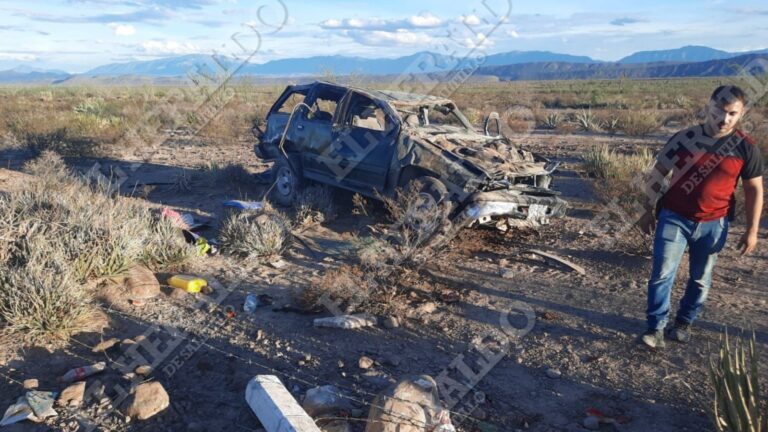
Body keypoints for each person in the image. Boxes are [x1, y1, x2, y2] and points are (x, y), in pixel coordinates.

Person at [638, 85, 764, 348]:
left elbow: (754, 188)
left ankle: (684, 322)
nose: (724, 118)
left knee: (700, 278)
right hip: (674, 217)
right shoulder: (684, 138)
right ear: (708, 107)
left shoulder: (745, 147)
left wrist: (752, 230)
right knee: (662, 273)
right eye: (719, 110)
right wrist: (646, 210)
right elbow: (657, 173)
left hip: (714, 223)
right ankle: (656, 328)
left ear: (741, 114)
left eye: (732, 113)